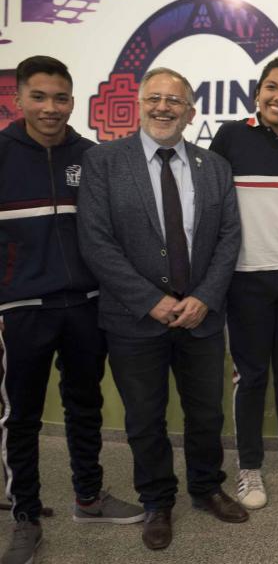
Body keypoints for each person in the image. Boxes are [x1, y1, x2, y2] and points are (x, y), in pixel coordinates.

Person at [77, 67, 245, 551]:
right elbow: (96, 242)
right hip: (134, 320)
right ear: (139, 103)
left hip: (201, 317)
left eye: (175, 101)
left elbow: (229, 237)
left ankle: (206, 487)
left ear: (191, 112)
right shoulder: (103, 162)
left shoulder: (212, 167)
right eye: (155, 98)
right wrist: (150, 300)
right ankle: (156, 501)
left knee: (206, 413)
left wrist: (205, 297)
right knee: (145, 418)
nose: (163, 108)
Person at [0, 55, 143, 564]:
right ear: (19, 99)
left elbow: (113, 231)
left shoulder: (93, 156)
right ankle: (25, 516)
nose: (51, 108)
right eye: (39, 96)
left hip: (86, 305)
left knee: (85, 406)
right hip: (22, 308)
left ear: (73, 100)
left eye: (61, 98)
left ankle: (88, 497)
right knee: (23, 417)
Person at [209, 57, 278, 510]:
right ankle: (249, 467)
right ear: (257, 93)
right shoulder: (231, 136)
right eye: (272, 88)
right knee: (251, 375)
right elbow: (212, 203)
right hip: (245, 277)